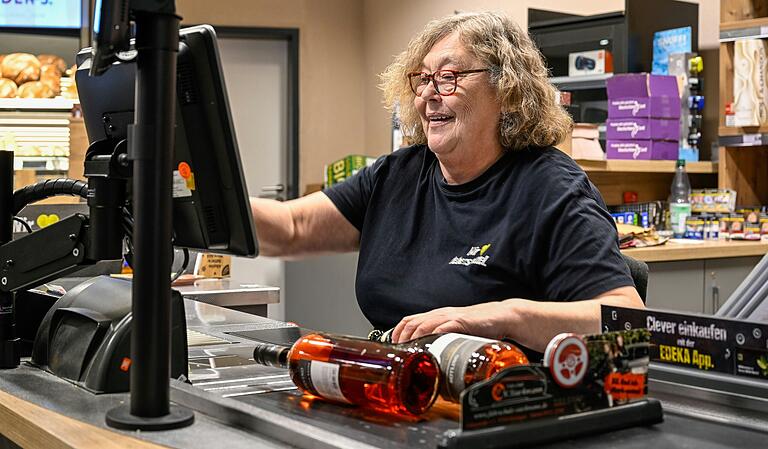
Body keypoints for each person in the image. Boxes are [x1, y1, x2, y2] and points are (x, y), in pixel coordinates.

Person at [249, 11, 643, 355]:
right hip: (403, 390)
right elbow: (292, 228)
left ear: (507, 91)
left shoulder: (552, 188)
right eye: (422, 79)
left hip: (499, 402)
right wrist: (199, 203)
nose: (429, 95)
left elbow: (626, 320)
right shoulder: (398, 175)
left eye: (449, 77)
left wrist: (503, 315)